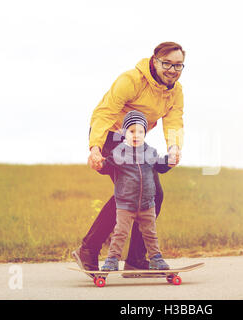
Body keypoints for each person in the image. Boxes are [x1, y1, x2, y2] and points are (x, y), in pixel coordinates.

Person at [72, 42, 185, 274]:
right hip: (110, 136)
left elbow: (174, 121)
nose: (173, 70)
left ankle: (136, 258)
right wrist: (95, 147)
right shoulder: (132, 80)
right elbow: (104, 113)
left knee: (154, 194)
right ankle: (88, 250)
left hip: (136, 141)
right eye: (167, 64)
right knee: (131, 191)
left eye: (178, 65)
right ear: (154, 61)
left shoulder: (175, 91)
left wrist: (174, 147)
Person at [99, 111, 171, 271]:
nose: (136, 135)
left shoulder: (150, 152)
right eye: (132, 131)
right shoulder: (119, 153)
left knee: (150, 234)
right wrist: (99, 166)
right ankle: (112, 260)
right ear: (125, 133)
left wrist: (170, 162)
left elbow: (160, 166)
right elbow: (107, 167)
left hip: (147, 204)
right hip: (126, 204)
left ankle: (155, 258)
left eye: (140, 131)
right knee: (120, 233)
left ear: (145, 133)